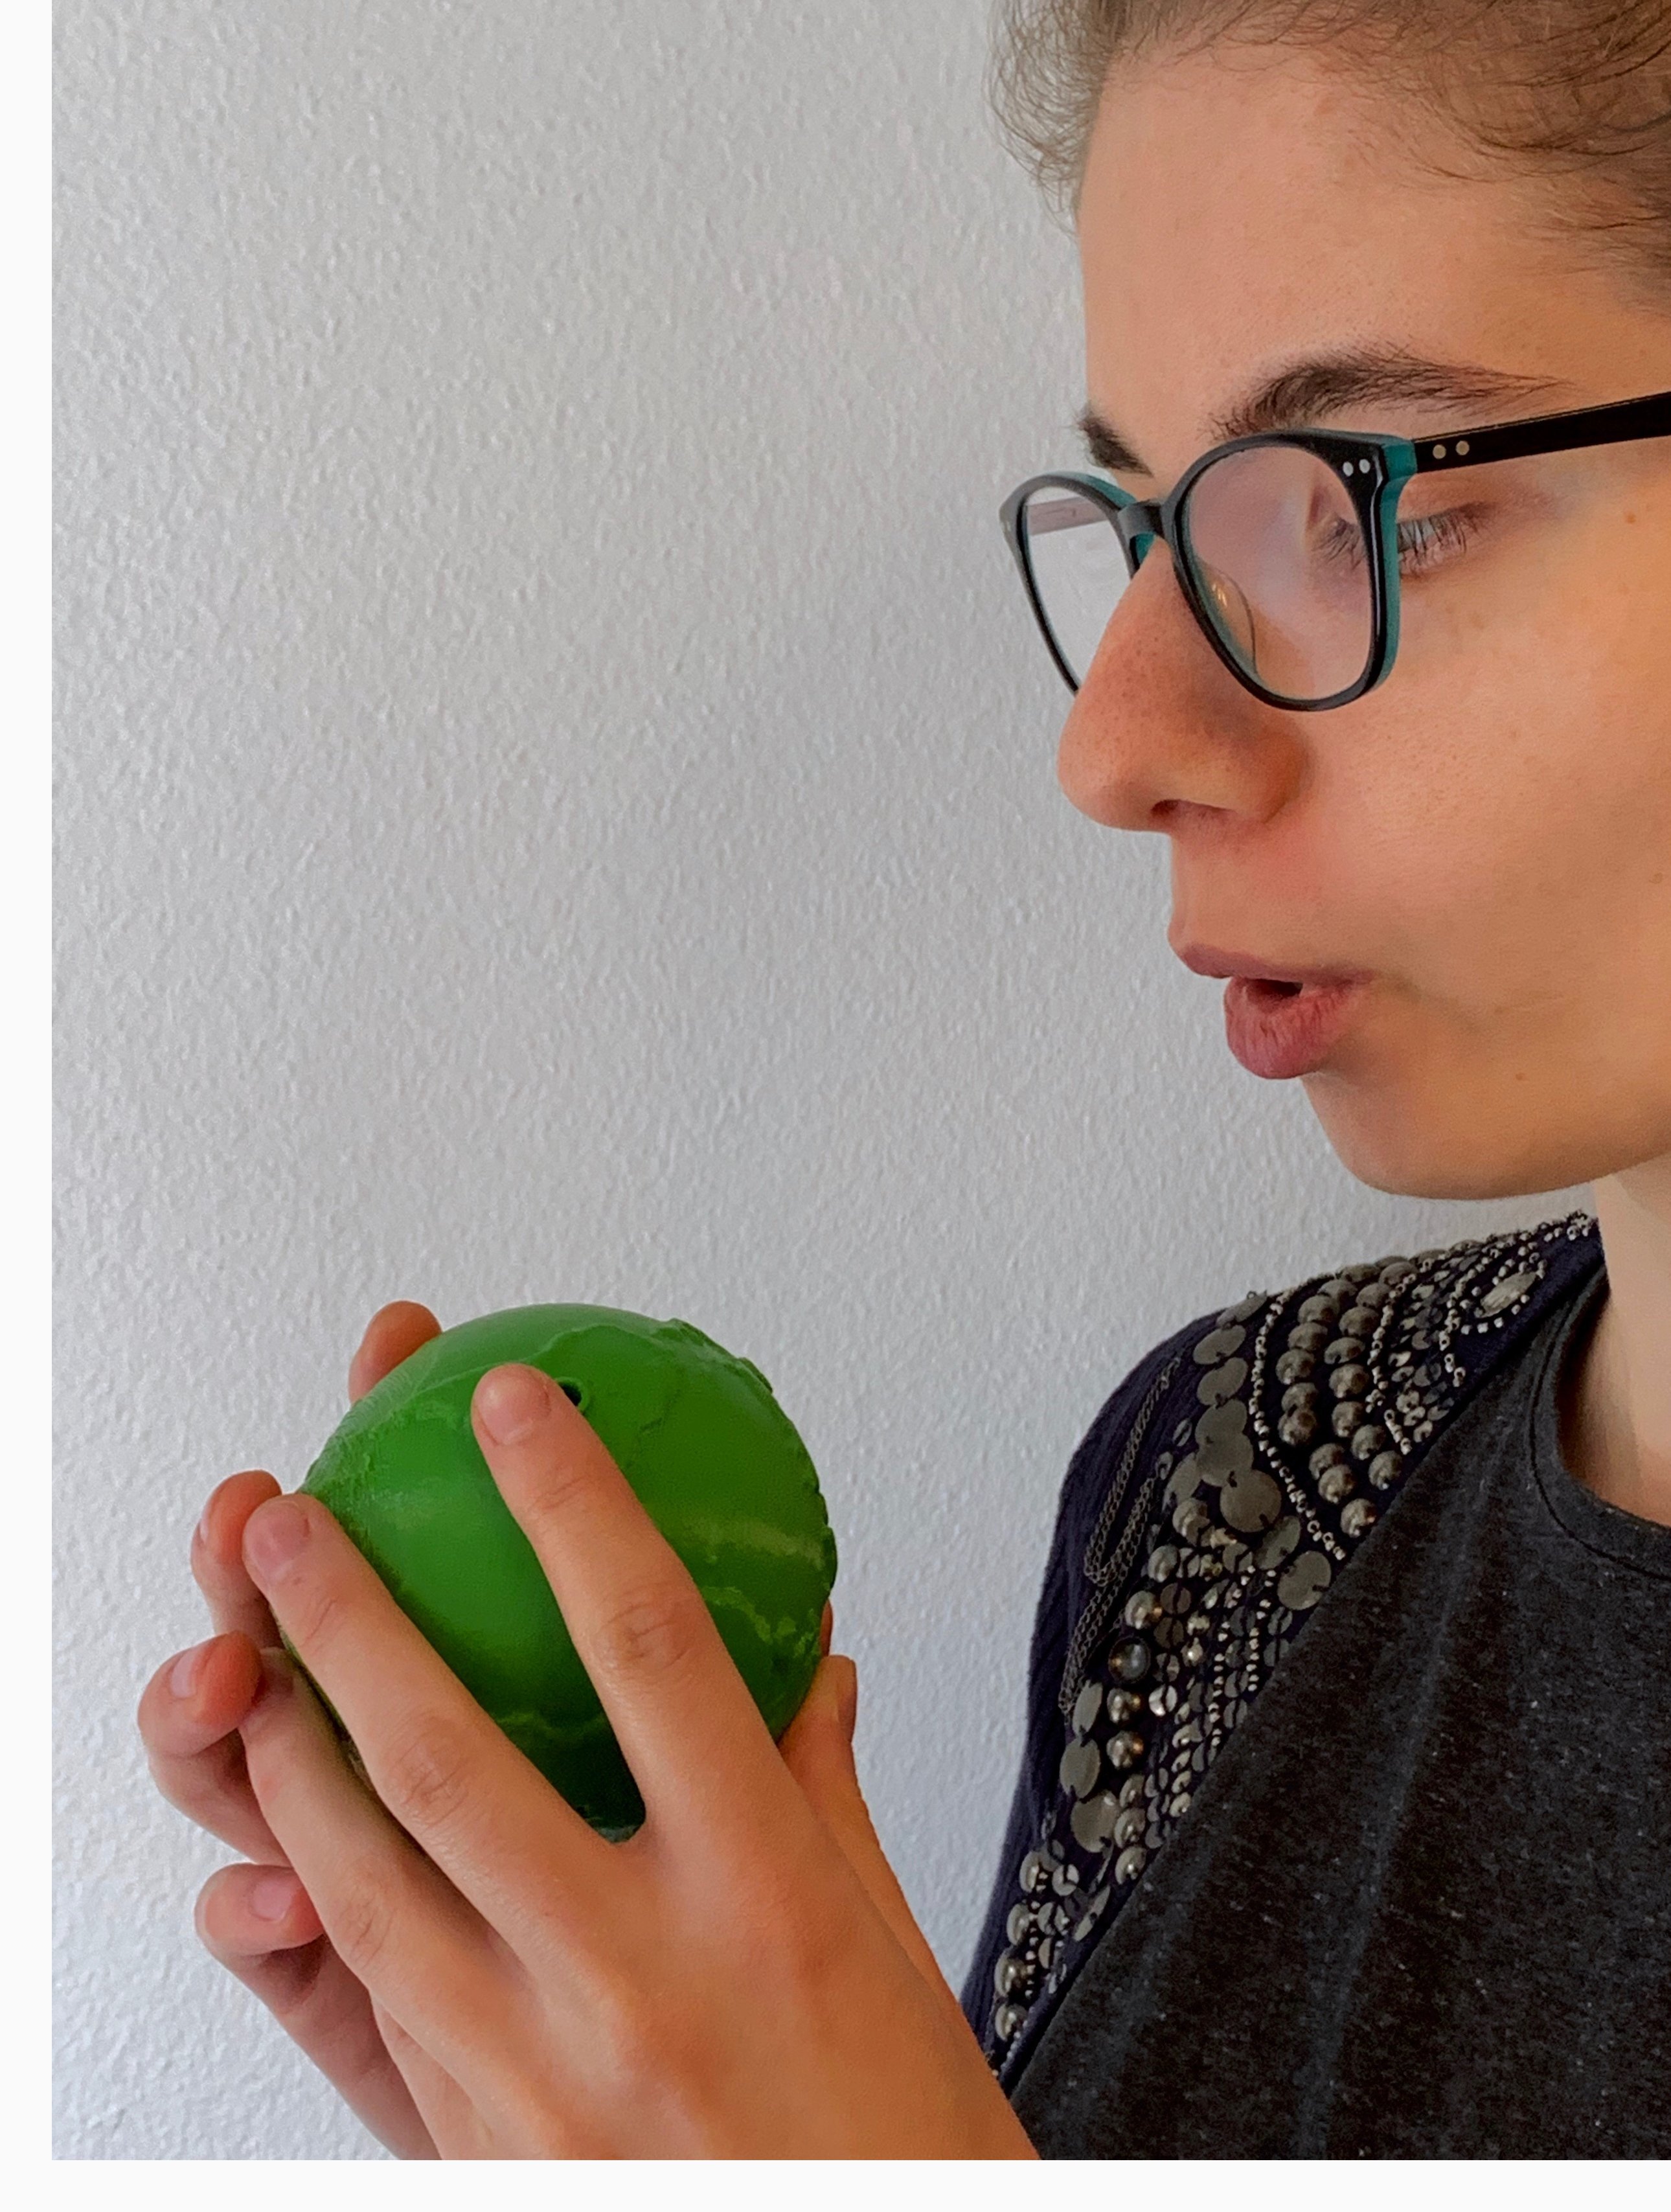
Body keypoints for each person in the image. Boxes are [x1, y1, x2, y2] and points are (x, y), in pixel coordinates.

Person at [137, 0, 1670, 2157]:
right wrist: (636, 2128)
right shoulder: (1232, 1484)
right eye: (1149, 521)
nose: (1114, 744)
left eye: (1354, 506)